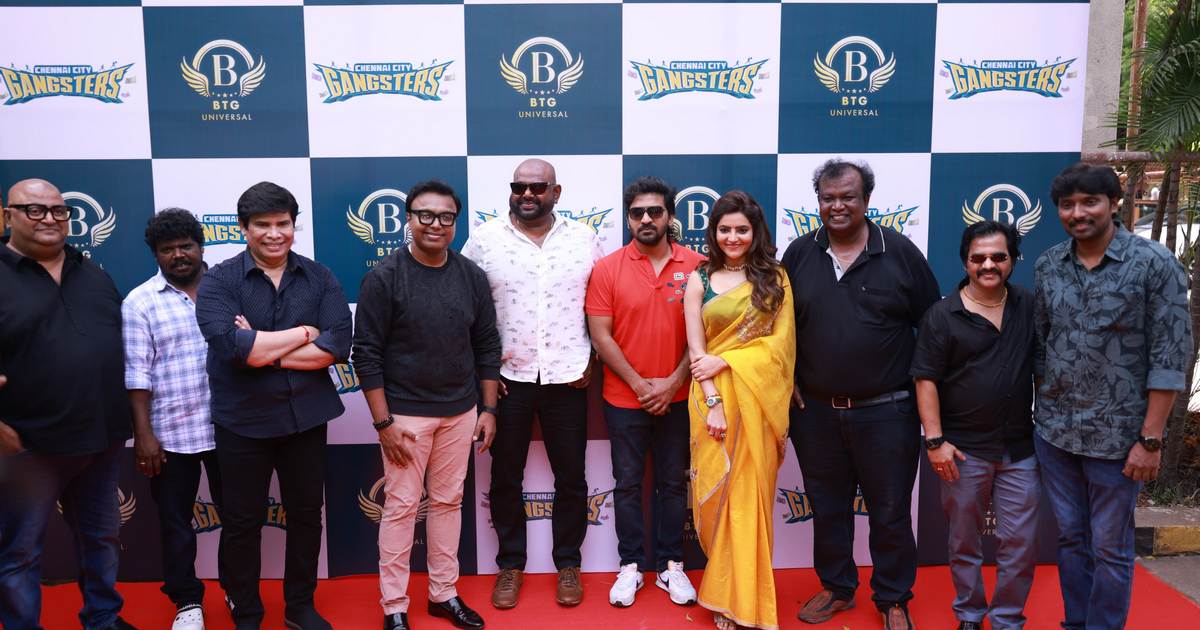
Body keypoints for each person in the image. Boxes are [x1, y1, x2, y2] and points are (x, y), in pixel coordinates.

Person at [781, 159, 940, 630]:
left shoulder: (900, 252)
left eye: (847, 197)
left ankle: (893, 597)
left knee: (890, 511)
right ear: (818, 203)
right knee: (827, 508)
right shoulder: (799, 254)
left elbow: (933, 328)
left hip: (887, 412)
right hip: (816, 414)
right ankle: (837, 587)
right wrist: (787, 378)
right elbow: (778, 328)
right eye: (828, 198)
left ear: (867, 200)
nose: (837, 206)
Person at [1034, 163, 1191, 630]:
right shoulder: (1048, 265)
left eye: (1090, 202)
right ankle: (1075, 623)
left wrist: (1151, 440)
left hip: (1121, 441)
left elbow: (1169, 357)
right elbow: (1042, 347)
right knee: (1070, 539)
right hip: (1057, 435)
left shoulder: (1153, 263)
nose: (1078, 213)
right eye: (1068, 205)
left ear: (1114, 203)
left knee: (1110, 547)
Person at [195, 181, 352, 630]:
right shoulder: (220, 280)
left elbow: (337, 345)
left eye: (283, 223)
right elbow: (233, 348)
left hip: (307, 419)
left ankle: (300, 607)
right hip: (242, 422)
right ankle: (246, 610)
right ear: (243, 228)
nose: (274, 233)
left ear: (293, 226)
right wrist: (304, 333)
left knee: (306, 516)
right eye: (262, 224)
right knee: (241, 521)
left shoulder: (319, 277)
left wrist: (263, 347)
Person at [352, 181, 502, 630]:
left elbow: (487, 344)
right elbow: (366, 354)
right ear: (409, 219)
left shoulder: (471, 276)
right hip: (404, 416)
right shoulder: (384, 277)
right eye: (426, 215)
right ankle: (394, 606)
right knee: (400, 507)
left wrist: (488, 410)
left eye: (446, 217)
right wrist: (384, 423)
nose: (436, 224)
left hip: (461, 411)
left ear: (455, 222)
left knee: (448, 502)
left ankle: (443, 594)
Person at [461, 158, 603, 609]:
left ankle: (568, 564)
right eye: (519, 186)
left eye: (538, 187)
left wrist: (594, 357)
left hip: (568, 377)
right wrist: (482, 372)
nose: (527, 194)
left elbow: (604, 304)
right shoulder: (484, 240)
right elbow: (463, 308)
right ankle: (510, 565)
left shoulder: (584, 239)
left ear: (555, 193)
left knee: (572, 478)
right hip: (507, 381)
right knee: (505, 477)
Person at [0, 179, 136, 630]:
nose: (50, 219)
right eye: (34, 210)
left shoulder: (92, 273)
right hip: (27, 447)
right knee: (19, 553)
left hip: (101, 439)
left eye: (59, 211)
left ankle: (103, 619)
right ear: (8, 216)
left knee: (102, 540)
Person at [911, 221, 1038, 630]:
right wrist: (935, 442)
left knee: (1020, 543)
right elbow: (925, 379)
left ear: (1013, 260)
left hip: (1019, 449)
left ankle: (1007, 619)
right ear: (965, 262)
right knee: (964, 541)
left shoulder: (1028, 306)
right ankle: (969, 613)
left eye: (998, 257)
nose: (988, 265)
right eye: (978, 258)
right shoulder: (942, 315)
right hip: (962, 450)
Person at [585, 177, 703, 608]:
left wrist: (672, 383)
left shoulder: (698, 265)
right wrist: (639, 384)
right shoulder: (608, 268)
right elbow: (601, 337)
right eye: (637, 213)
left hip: (681, 397)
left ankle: (672, 565)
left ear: (670, 216)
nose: (646, 219)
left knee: (673, 484)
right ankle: (631, 565)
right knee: (628, 484)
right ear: (628, 218)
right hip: (624, 399)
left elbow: (707, 334)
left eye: (655, 211)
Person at [683, 190, 795, 630]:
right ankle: (727, 592)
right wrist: (713, 404)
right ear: (713, 232)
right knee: (721, 495)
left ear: (755, 232)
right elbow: (697, 354)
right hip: (713, 399)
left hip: (758, 400)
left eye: (742, 230)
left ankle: (743, 599)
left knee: (751, 498)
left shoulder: (775, 277)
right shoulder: (700, 278)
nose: (733, 237)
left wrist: (728, 359)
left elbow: (781, 347)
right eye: (724, 229)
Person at [123, 209, 225, 630]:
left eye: (186, 245)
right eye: (168, 249)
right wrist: (143, 434)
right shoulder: (139, 301)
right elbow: (136, 374)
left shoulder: (227, 288)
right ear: (155, 254)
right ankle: (187, 603)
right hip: (169, 434)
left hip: (230, 428)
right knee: (175, 525)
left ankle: (237, 589)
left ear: (200, 246)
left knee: (239, 519)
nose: (179, 255)